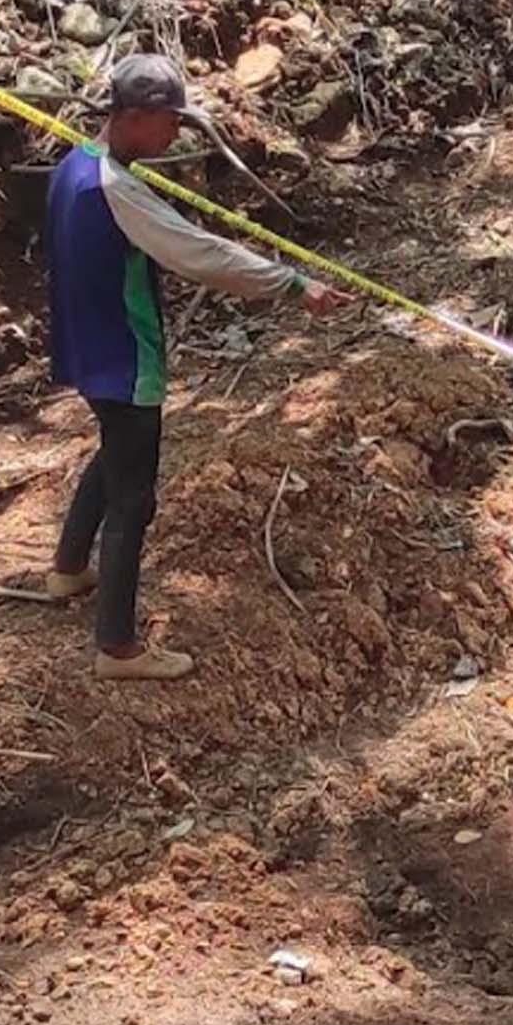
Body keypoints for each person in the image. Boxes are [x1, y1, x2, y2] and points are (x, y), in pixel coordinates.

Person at [41, 54, 347, 680]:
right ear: (133, 116)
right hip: (125, 355)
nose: (176, 133)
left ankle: (68, 569)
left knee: (114, 451)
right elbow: (199, 253)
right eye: (170, 121)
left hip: (87, 348)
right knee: (134, 499)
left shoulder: (75, 164)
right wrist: (293, 286)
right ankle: (118, 648)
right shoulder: (116, 190)